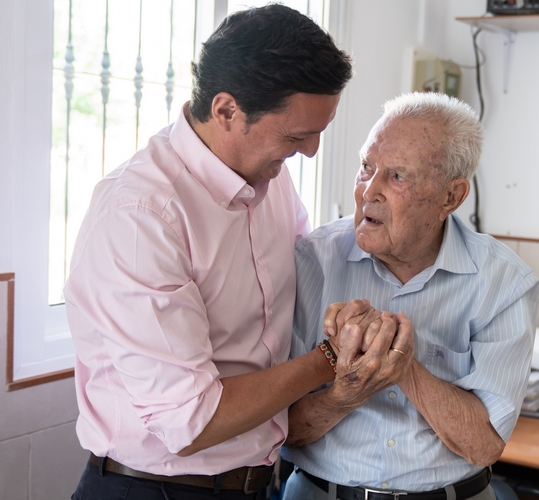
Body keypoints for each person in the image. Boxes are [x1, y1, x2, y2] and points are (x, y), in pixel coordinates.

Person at [65, 5, 355, 500]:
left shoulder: (272, 178)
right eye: (296, 135)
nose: (310, 152)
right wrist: (331, 358)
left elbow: (310, 276)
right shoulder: (141, 215)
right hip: (154, 490)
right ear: (226, 111)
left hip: (254, 483)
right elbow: (191, 421)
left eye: (319, 132)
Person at [281, 92, 539, 500]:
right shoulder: (313, 260)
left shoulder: (503, 280)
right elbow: (281, 429)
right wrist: (346, 391)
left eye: (397, 176)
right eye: (366, 167)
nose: (368, 191)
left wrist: (402, 368)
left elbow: (484, 445)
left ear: (451, 197)